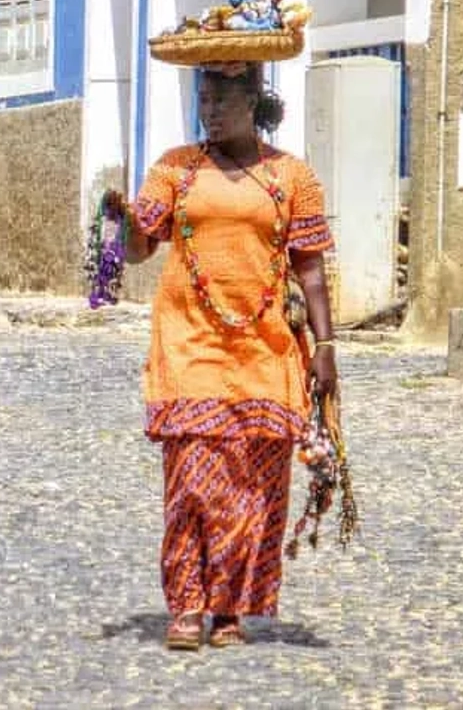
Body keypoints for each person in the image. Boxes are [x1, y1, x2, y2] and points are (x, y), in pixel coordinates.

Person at [122, 62, 338, 651]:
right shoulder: (175, 167)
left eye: (222, 100)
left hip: (265, 347)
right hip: (188, 342)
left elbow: (311, 268)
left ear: (254, 102)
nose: (210, 110)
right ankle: (188, 606)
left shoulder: (290, 176)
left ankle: (231, 609)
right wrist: (121, 223)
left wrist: (325, 346)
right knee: (191, 480)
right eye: (204, 99)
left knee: (253, 485)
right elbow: (140, 246)